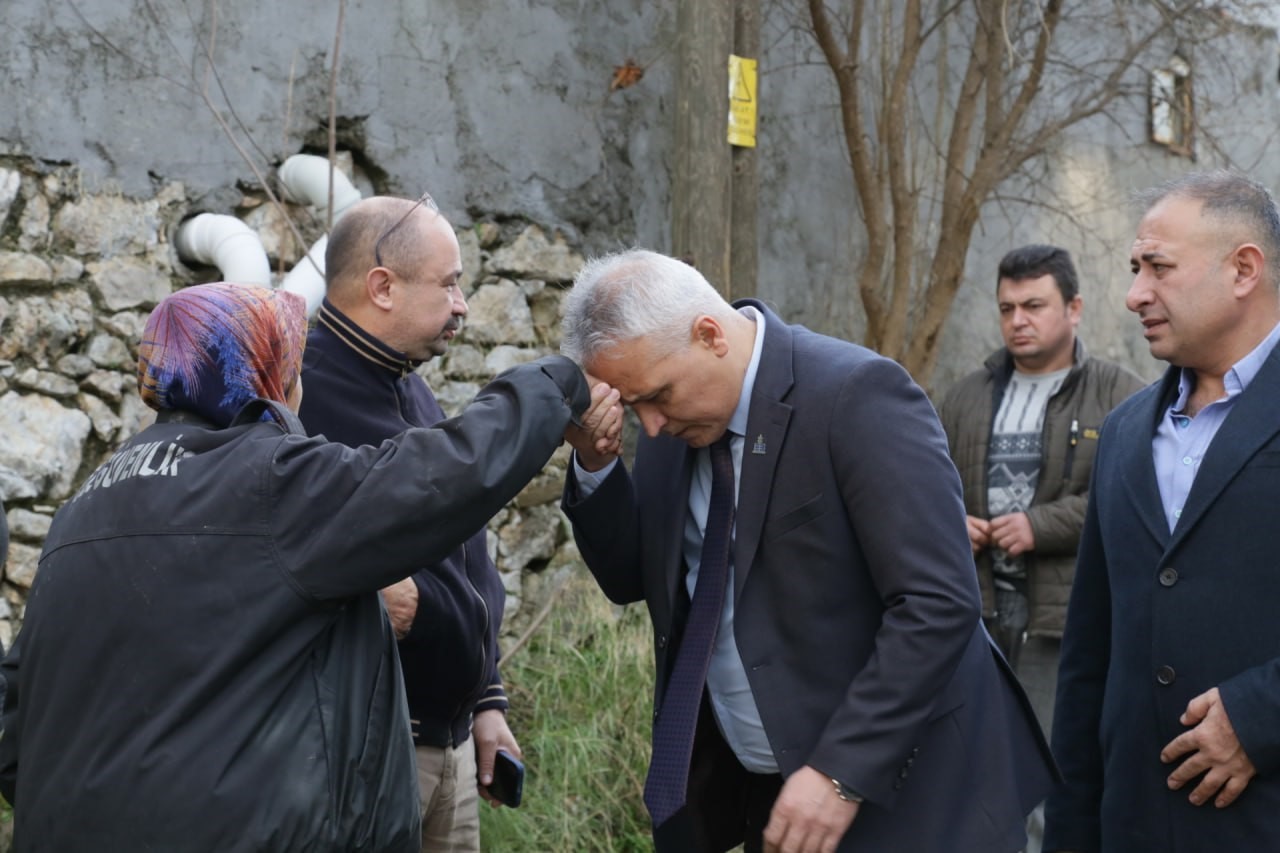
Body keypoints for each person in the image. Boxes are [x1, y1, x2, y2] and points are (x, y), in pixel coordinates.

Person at [0, 282, 590, 852]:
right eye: (293, 363)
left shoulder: (83, 504)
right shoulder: (269, 480)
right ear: (267, 372)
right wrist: (551, 383)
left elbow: (16, 704)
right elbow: (442, 475)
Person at [559, 249, 1057, 853]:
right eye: (635, 405)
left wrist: (841, 771)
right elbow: (631, 579)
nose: (652, 425)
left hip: (912, 794)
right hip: (770, 797)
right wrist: (594, 465)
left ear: (710, 334)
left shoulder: (856, 394)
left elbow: (938, 602)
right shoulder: (675, 421)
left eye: (657, 397)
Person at [1044, 171, 1280, 852]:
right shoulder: (1121, 433)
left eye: (1158, 267)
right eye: (1133, 268)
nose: (1133, 293)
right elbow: (1090, 661)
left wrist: (1261, 714)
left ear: (1243, 269)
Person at [296, 193, 530, 852]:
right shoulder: (301, 399)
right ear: (382, 287)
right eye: (450, 284)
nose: (462, 305)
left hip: (449, 748)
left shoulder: (410, 387)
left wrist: (485, 698)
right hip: (366, 753)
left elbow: (466, 551)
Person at [937, 244, 1144, 736]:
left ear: (1074, 309)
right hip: (976, 617)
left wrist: (1038, 525)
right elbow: (923, 490)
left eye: (1034, 306)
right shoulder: (964, 397)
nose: (1017, 321)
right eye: (1007, 308)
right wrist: (947, 524)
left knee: (1052, 767)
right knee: (975, 759)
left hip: (1065, 623)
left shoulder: (1122, 396)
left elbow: (1133, 501)